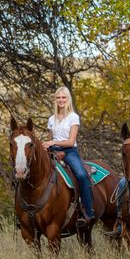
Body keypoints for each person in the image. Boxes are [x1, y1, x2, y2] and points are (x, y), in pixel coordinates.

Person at [42, 86, 94, 228]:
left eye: (63, 97)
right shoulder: (51, 119)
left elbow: (71, 141)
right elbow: (50, 138)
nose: (61, 100)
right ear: (55, 100)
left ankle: (87, 212)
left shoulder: (73, 117)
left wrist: (53, 142)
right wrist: (46, 144)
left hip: (69, 151)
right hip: (53, 151)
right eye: (58, 97)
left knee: (81, 175)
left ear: (68, 99)